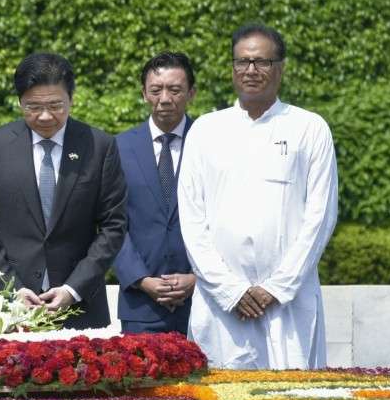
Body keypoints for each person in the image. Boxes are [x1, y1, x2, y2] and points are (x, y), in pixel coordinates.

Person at [177, 24, 338, 369]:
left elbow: (320, 217)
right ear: (232, 68)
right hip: (221, 303)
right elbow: (192, 219)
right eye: (242, 62)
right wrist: (230, 290)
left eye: (262, 62)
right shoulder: (206, 130)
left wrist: (278, 287)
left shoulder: (309, 128)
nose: (251, 71)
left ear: (280, 68)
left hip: (287, 304)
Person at [0, 53, 127, 329]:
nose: (45, 116)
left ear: (72, 99)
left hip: (81, 306)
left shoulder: (99, 146)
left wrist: (73, 289)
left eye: (56, 105)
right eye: (33, 107)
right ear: (19, 102)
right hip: (9, 309)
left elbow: (114, 225)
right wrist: (11, 286)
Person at [113, 52, 197, 335]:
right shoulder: (119, 148)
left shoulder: (211, 142)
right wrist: (140, 278)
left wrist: (198, 278)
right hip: (140, 304)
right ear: (144, 94)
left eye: (175, 90)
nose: (165, 98)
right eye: (156, 90)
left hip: (203, 301)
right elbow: (110, 223)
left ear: (191, 93)